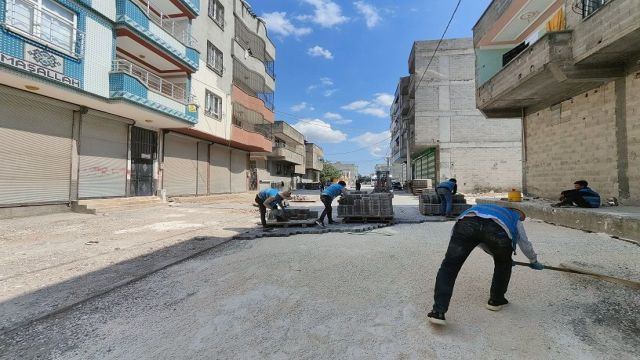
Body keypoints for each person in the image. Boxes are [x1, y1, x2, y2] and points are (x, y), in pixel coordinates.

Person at [427, 204, 544, 326]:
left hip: (466, 222)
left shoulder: (483, 208)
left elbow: (481, 238)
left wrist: (498, 255)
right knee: (503, 265)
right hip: (498, 231)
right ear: (516, 212)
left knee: (449, 267)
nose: (522, 219)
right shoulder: (514, 217)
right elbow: (524, 242)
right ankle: (496, 300)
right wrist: (533, 260)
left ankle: (438, 312)